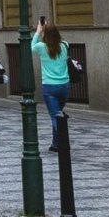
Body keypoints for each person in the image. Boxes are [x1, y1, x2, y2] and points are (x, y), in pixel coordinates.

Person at [32, 18, 72, 149]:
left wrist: (38, 32)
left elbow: (31, 47)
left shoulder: (41, 47)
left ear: (45, 34)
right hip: (64, 86)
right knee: (58, 113)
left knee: (55, 117)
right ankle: (55, 144)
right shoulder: (65, 45)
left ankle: (63, 142)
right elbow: (59, 41)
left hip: (49, 87)